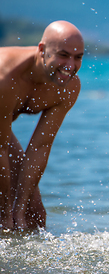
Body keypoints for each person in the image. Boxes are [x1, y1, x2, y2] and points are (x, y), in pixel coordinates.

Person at [0, 20, 84, 230]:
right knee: (4, 219)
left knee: (33, 217)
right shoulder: (6, 76)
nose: (70, 66)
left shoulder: (69, 86)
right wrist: (5, 214)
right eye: (63, 55)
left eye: (78, 58)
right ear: (42, 49)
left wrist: (18, 210)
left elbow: (40, 147)